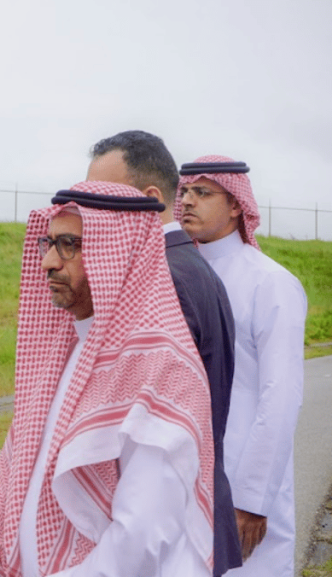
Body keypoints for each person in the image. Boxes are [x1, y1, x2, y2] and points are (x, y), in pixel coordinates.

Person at [0, 181, 215, 576]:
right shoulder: (69, 349)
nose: (48, 262)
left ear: (119, 254)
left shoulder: (163, 368)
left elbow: (141, 539)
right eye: (49, 243)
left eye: (69, 245)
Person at [87, 130, 241, 575]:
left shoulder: (162, 278)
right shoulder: (189, 266)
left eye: (102, 199)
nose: (89, 213)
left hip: (169, 532)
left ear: (151, 200)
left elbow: (156, 428)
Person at [176, 156, 307, 577]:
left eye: (202, 192)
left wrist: (252, 498)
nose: (187, 201)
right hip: (179, 474)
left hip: (240, 479)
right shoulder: (172, 276)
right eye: (184, 191)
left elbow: (280, 395)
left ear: (236, 205)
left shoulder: (270, 282)